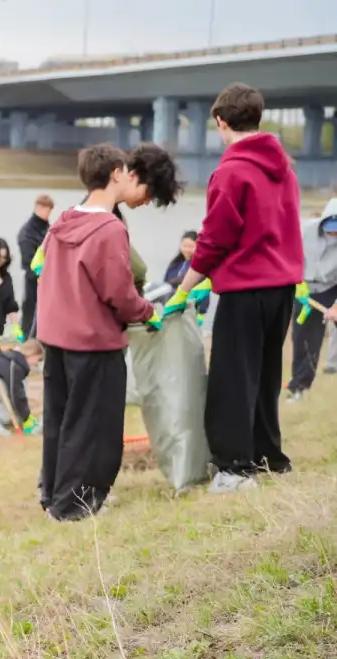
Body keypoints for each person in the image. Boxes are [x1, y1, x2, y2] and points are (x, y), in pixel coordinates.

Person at [164, 83, 305, 493]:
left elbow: (214, 240)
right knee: (264, 375)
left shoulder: (230, 172)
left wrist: (183, 288)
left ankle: (234, 469)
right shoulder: (285, 170)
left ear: (221, 122)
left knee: (231, 378)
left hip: (245, 291)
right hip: (282, 288)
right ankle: (268, 456)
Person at [36, 143, 166, 522]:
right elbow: (119, 294)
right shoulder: (109, 228)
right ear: (115, 174)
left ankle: (53, 495)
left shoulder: (64, 220)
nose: (129, 177)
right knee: (92, 426)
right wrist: (148, 312)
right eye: (126, 172)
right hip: (93, 341)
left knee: (60, 420)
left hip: (56, 338)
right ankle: (75, 505)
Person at [285, 198, 337, 401]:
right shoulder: (306, 230)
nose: (333, 233)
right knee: (304, 338)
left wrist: (335, 307)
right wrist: (298, 282)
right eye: (330, 228)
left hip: (330, 287)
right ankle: (299, 386)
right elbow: (291, 255)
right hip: (304, 287)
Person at [18, 195, 55, 339]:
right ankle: (27, 340)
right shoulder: (27, 232)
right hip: (33, 280)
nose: (48, 213)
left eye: (50, 211)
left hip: (49, 279)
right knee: (30, 315)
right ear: (38, 207)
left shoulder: (48, 228)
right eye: (47, 210)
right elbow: (28, 261)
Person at [164, 231, 210, 323]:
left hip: (192, 310)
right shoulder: (176, 264)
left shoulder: (199, 267)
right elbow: (165, 283)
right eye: (185, 246)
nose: (187, 249)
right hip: (172, 307)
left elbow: (202, 293)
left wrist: (201, 313)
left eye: (191, 246)